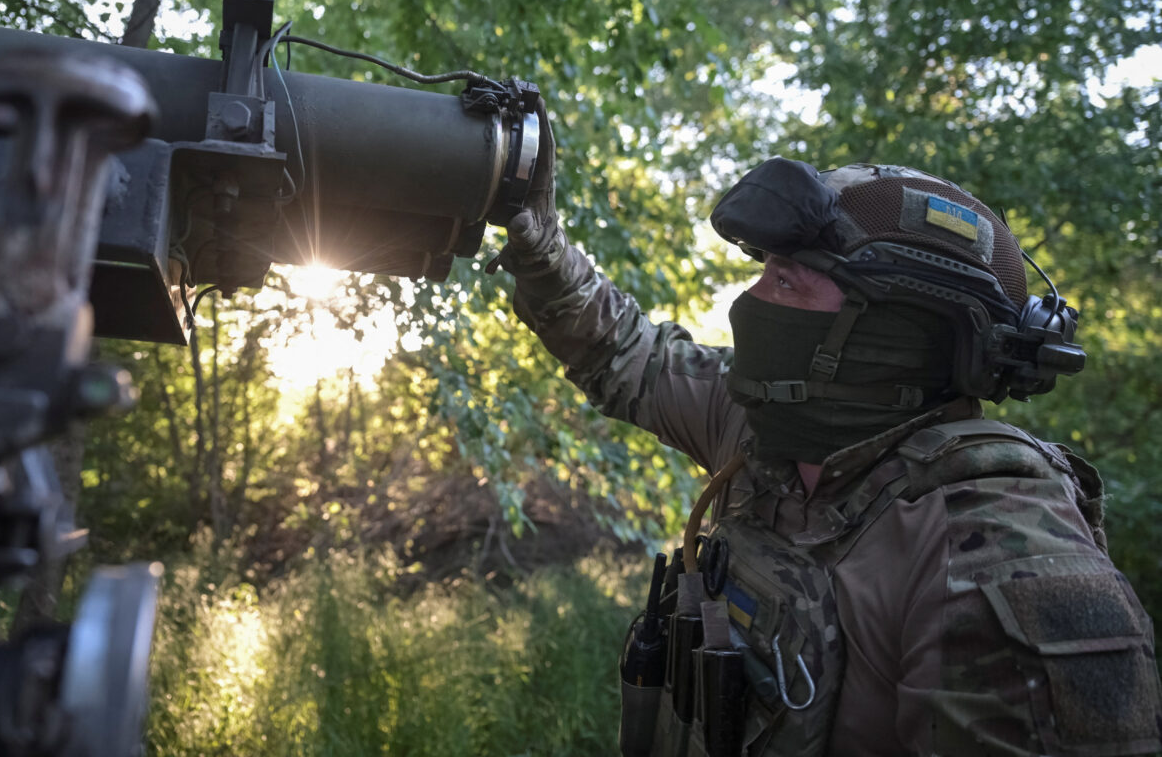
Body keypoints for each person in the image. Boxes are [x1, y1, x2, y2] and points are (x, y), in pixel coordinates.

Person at [494, 145, 1162, 755]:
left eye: (786, 282)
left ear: (894, 333)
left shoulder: (1002, 554)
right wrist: (537, 240)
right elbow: (624, 354)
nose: (749, 301)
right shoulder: (757, 424)